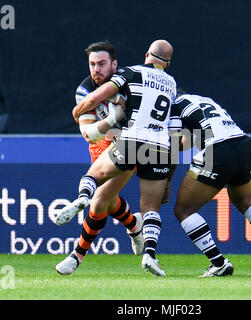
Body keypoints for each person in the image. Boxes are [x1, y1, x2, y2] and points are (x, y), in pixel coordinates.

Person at [56, 39, 177, 276]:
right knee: (110, 202)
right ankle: (134, 226)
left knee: (100, 199)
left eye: (101, 64)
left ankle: (76, 256)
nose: (96, 69)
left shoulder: (127, 77)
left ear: (114, 65)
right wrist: (114, 117)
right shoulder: (85, 89)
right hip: (111, 145)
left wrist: (79, 112)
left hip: (128, 144)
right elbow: (89, 134)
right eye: (92, 64)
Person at [168, 92, 251, 277]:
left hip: (218, 150)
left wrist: (166, 181)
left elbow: (174, 145)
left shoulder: (173, 106)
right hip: (243, 144)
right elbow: (188, 140)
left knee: (184, 210)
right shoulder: (203, 100)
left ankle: (218, 263)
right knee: (245, 200)